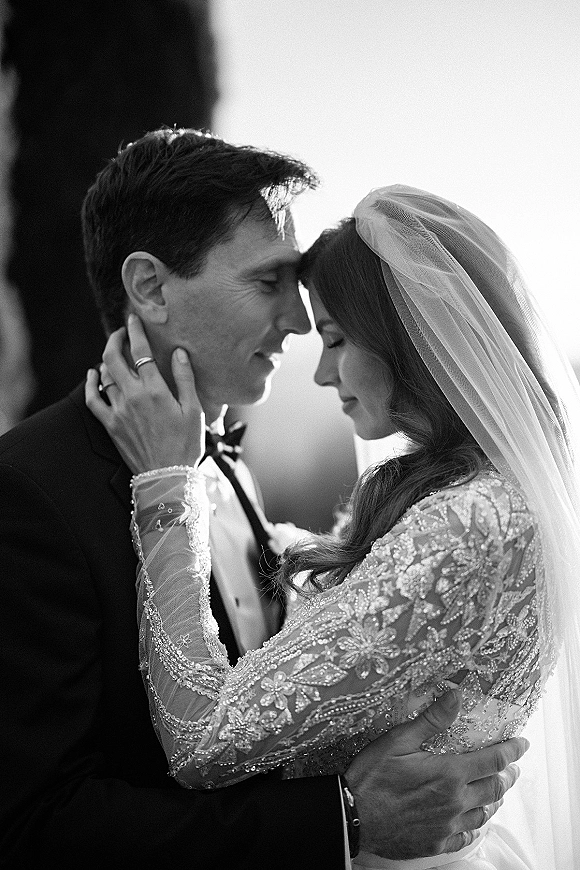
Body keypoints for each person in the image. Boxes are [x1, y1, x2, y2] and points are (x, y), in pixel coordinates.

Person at [0, 134, 523, 869]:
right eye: (268, 283)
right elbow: (36, 826)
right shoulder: (28, 492)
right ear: (151, 288)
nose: (303, 321)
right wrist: (341, 821)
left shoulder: (226, 459)